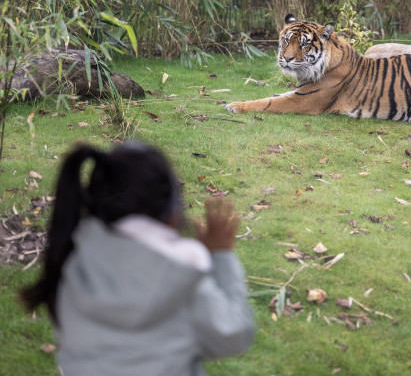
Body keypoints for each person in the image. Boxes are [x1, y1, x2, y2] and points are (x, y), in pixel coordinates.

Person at [20, 141, 255, 376]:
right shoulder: (182, 273)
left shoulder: (72, 260)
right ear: (172, 210)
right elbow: (233, 336)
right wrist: (221, 256)